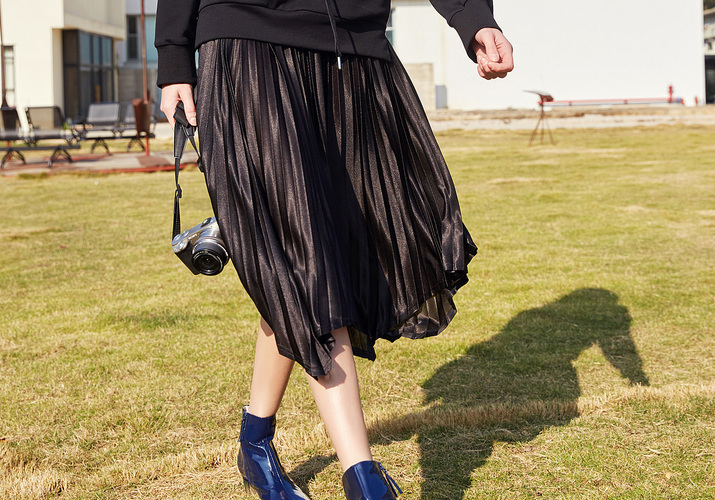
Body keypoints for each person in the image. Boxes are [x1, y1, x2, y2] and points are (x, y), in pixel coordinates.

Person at [156, 1, 513, 498]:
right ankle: (363, 477)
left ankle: (254, 442)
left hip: (352, 50)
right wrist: (174, 53)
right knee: (307, 257)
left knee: (326, 253)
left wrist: (473, 17)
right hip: (249, 42)